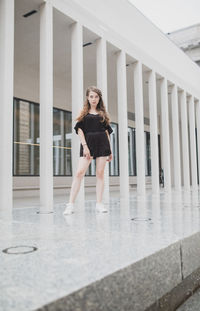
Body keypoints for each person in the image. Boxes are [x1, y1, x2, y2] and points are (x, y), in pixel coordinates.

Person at [63, 86, 113, 215]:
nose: (94, 99)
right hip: (88, 143)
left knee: (100, 174)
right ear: (87, 98)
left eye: (96, 96)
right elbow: (79, 130)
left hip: (102, 144)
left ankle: (99, 204)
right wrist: (85, 146)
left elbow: (107, 132)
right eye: (91, 96)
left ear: (99, 98)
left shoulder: (103, 114)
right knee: (79, 173)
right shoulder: (84, 113)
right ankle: (70, 205)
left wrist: (110, 150)